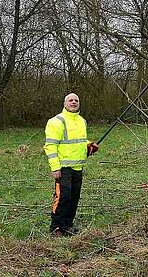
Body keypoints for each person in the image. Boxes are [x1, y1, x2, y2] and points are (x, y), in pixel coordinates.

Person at [44, 93, 98, 237]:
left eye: (76, 100)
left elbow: (80, 140)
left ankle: (68, 225)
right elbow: (50, 146)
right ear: (65, 103)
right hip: (63, 169)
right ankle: (56, 228)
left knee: (74, 197)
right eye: (70, 100)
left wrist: (89, 145)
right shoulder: (56, 121)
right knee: (62, 198)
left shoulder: (82, 121)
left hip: (78, 167)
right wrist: (55, 167)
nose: (74, 102)